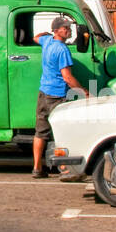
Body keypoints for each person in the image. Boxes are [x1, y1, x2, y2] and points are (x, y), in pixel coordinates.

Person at [32, 16, 88, 178]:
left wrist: (48, 34)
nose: (69, 30)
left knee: (40, 132)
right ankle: (64, 167)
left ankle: (37, 167)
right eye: (65, 28)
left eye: (69, 28)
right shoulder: (62, 50)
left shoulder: (47, 41)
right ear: (57, 30)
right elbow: (67, 77)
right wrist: (84, 91)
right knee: (62, 131)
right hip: (57, 95)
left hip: (43, 92)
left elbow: (36, 37)